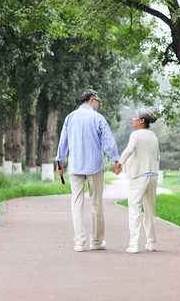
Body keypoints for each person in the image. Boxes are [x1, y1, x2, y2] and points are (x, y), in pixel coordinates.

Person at [56, 89, 119, 252]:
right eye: (98, 101)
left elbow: (63, 140)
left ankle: (79, 242)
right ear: (92, 100)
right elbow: (108, 141)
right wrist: (115, 159)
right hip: (94, 167)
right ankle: (96, 241)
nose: (98, 105)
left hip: (75, 166)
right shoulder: (98, 118)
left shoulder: (70, 117)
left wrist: (59, 160)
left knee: (76, 204)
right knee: (96, 203)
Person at [113, 108, 160, 254]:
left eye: (135, 117)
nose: (132, 119)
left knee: (134, 208)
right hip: (152, 175)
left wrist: (119, 164)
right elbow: (157, 156)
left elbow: (128, 150)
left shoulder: (136, 134)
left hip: (139, 175)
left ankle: (134, 244)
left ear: (142, 121)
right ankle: (151, 242)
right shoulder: (153, 136)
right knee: (150, 210)